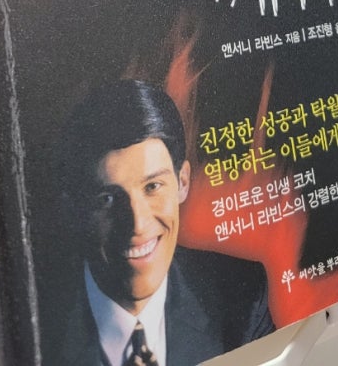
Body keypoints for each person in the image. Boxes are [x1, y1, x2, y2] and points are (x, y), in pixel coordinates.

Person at [58, 79, 274, 366]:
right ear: (73, 209)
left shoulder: (241, 295)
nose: (137, 225)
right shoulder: (29, 331)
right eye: (107, 199)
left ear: (182, 182)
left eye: (152, 187)